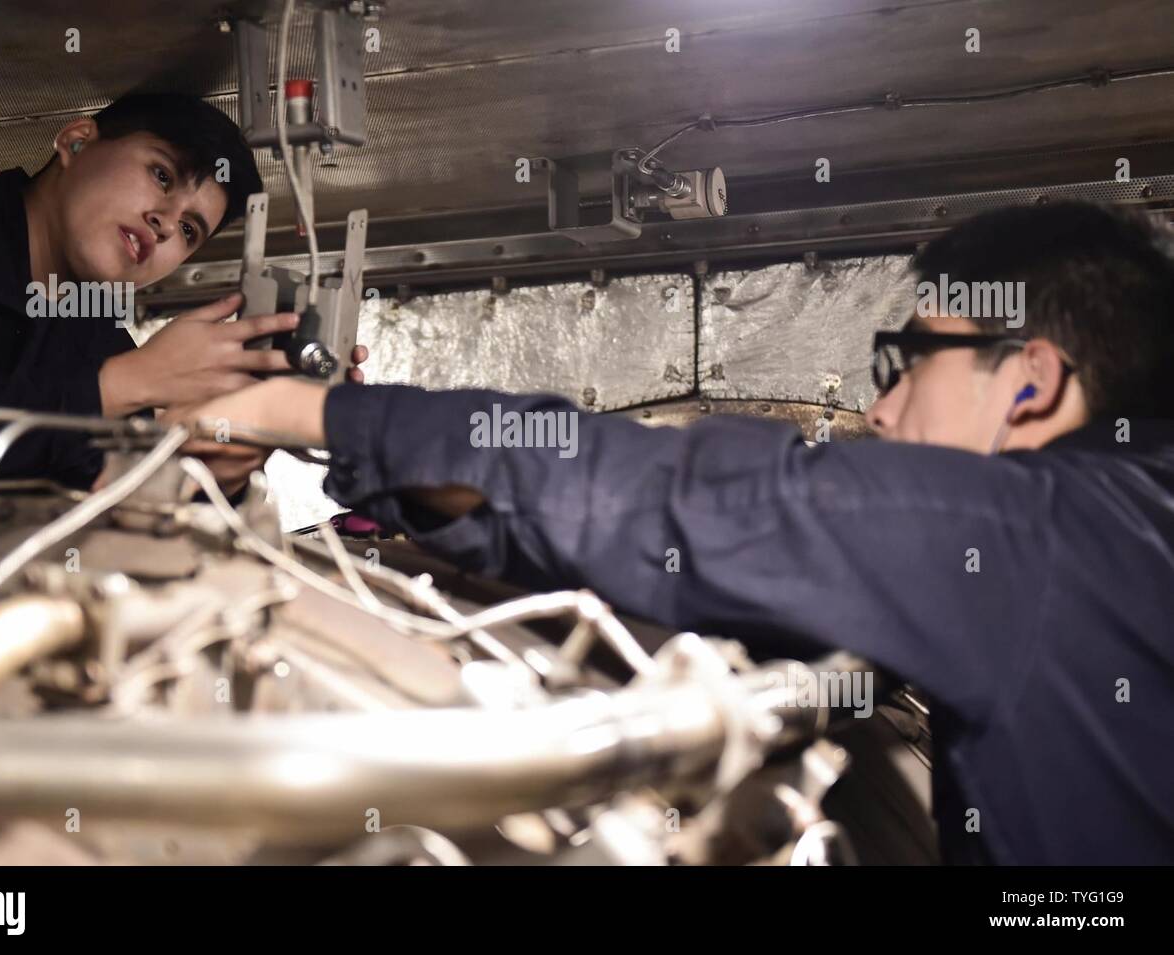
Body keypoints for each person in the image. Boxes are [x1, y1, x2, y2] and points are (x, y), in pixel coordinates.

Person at [171, 201, 1174, 864]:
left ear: (1030, 381)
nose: (884, 409)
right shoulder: (1123, 525)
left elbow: (676, 498)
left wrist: (307, 415)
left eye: (909, 360)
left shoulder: (1033, 537)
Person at [0, 92, 362, 495]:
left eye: (191, 230)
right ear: (76, 142)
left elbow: (130, 514)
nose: (168, 223)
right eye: (162, 175)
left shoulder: (98, 342)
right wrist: (124, 384)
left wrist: (239, 442)